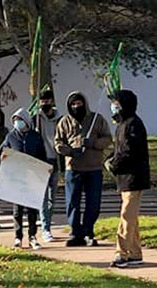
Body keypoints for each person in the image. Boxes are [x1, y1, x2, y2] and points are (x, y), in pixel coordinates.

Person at [55, 91, 113, 247]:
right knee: (72, 202)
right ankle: (75, 232)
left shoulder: (96, 120)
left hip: (93, 167)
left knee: (93, 202)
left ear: (84, 104)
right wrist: (69, 151)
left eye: (79, 104)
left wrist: (93, 143)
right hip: (73, 168)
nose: (76, 107)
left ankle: (88, 231)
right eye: (73, 104)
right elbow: (58, 142)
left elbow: (107, 139)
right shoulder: (64, 122)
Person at [104, 89, 150, 268]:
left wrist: (113, 164)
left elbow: (128, 151)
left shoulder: (133, 125)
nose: (113, 107)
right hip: (126, 177)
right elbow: (120, 149)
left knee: (126, 216)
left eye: (116, 103)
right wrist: (111, 160)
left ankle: (121, 253)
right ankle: (135, 252)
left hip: (133, 177)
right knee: (131, 217)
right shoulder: (123, 124)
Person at [3, 108, 49, 249]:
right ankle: (18, 237)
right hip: (17, 178)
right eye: (16, 120)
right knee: (17, 210)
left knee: (31, 209)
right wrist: (4, 156)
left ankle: (32, 236)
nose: (18, 123)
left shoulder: (35, 136)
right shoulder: (11, 137)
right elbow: (6, 151)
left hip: (32, 176)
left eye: (20, 120)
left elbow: (42, 155)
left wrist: (45, 168)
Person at [33, 89, 61, 242]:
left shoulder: (60, 119)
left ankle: (47, 223)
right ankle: (45, 228)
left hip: (55, 162)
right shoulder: (35, 119)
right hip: (41, 162)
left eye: (47, 101)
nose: (44, 104)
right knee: (43, 198)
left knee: (52, 197)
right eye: (42, 101)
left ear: (52, 101)